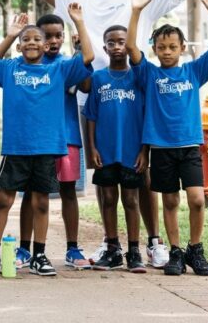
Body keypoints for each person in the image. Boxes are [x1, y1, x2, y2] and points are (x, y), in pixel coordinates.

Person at [0, 0, 208, 266]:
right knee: (104, 178)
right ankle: (112, 244)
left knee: (141, 175)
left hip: (136, 95)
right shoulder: (78, 2)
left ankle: (153, 242)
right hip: (96, 97)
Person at [0, 2, 94, 277]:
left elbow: (87, 56)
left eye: (36, 39)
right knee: (4, 200)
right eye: (25, 39)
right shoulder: (9, 69)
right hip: (17, 148)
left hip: (47, 147)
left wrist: (78, 21)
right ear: (19, 46)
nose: (31, 42)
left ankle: (39, 255)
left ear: (45, 47)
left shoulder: (58, 71)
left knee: (41, 201)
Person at [127, 0, 208, 276]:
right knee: (169, 201)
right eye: (161, 47)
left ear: (182, 48)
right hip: (162, 149)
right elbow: (132, 48)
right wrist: (136, 10)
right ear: (154, 49)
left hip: (189, 147)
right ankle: (176, 252)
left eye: (172, 47)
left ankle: (196, 249)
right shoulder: (150, 73)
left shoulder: (193, 71)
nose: (167, 52)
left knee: (196, 199)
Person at [14, 14, 90, 269]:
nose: (53, 41)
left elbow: (87, 82)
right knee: (30, 193)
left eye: (59, 35)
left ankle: (72, 248)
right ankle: (25, 248)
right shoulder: (26, 65)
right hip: (34, 141)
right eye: (48, 36)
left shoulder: (66, 65)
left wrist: (80, 46)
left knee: (68, 191)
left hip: (66, 136)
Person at [84, 25, 148, 273]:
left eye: (122, 42)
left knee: (131, 200)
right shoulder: (99, 78)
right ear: (105, 48)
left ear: (129, 45)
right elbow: (91, 116)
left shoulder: (139, 78)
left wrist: (144, 151)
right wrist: (92, 148)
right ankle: (113, 249)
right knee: (109, 198)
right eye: (111, 43)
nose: (117, 47)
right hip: (105, 151)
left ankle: (134, 251)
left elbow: (146, 116)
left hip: (132, 151)